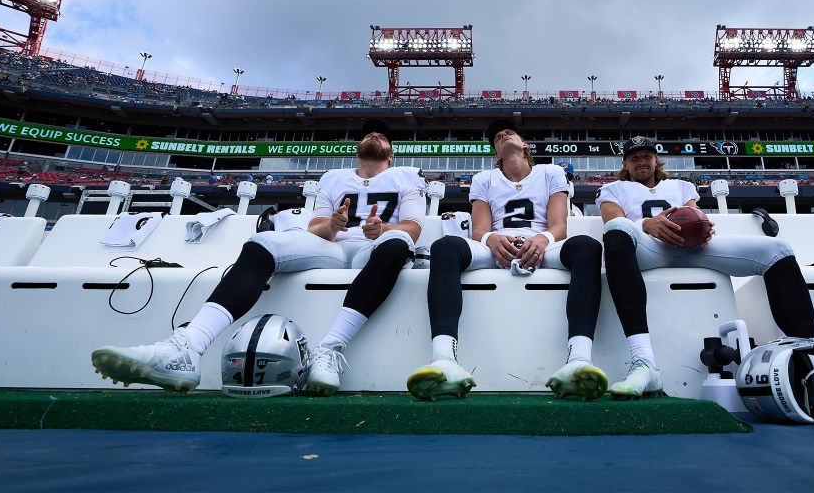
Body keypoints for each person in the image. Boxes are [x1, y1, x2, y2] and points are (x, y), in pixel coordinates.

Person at [92, 120, 425, 395]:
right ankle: (185, 348)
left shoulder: (407, 176)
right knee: (262, 242)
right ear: (357, 147)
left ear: (391, 154)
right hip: (334, 247)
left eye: (381, 135)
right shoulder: (333, 178)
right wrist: (333, 224)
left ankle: (329, 350)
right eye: (368, 133)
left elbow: (412, 228)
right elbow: (314, 227)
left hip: (377, 247)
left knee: (397, 242)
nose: (374, 135)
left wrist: (380, 229)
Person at [598, 136, 814, 411]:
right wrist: (648, 224)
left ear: (655, 160)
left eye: (646, 156)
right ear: (625, 162)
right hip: (648, 248)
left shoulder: (681, 186)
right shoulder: (614, 189)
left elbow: (694, 213)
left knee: (777, 250)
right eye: (634, 157)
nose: (641, 161)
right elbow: (613, 219)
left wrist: (703, 227)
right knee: (616, 231)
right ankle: (643, 362)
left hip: (693, 247)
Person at [407, 120, 607, 401]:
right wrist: (491, 239)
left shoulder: (550, 172)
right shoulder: (484, 179)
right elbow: (479, 230)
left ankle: (579, 359)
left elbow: (559, 226)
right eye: (497, 137)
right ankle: (443, 359)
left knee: (586, 246)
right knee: (445, 247)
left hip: (542, 243)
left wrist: (542, 241)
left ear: (525, 145)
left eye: (509, 132)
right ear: (496, 155)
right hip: (497, 246)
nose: (503, 135)